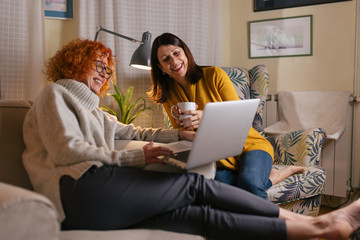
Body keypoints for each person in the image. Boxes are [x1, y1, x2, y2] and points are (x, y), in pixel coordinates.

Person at [22, 38, 360, 240]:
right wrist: (135, 158)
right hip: (75, 191)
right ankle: (319, 222)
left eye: (107, 69)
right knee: (194, 186)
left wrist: (177, 134)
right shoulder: (56, 94)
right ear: (74, 62)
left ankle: (321, 232)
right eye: (97, 64)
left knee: (197, 214)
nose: (104, 73)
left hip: (95, 197)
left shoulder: (97, 112)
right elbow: (67, 151)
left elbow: (136, 132)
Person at [148, 32, 305, 199]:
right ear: (161, 68)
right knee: (219, 192)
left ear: (185, 52)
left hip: (250, 145)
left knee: (250, 184)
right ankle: (273, 177)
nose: (174, 61)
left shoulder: (214, 75)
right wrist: (185, 129)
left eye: (176, 53)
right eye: (166, 59)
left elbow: (240, 119)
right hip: (216, 156)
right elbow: (185, 137)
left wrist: (207, 118)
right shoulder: (167, 95)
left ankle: (264, 220)